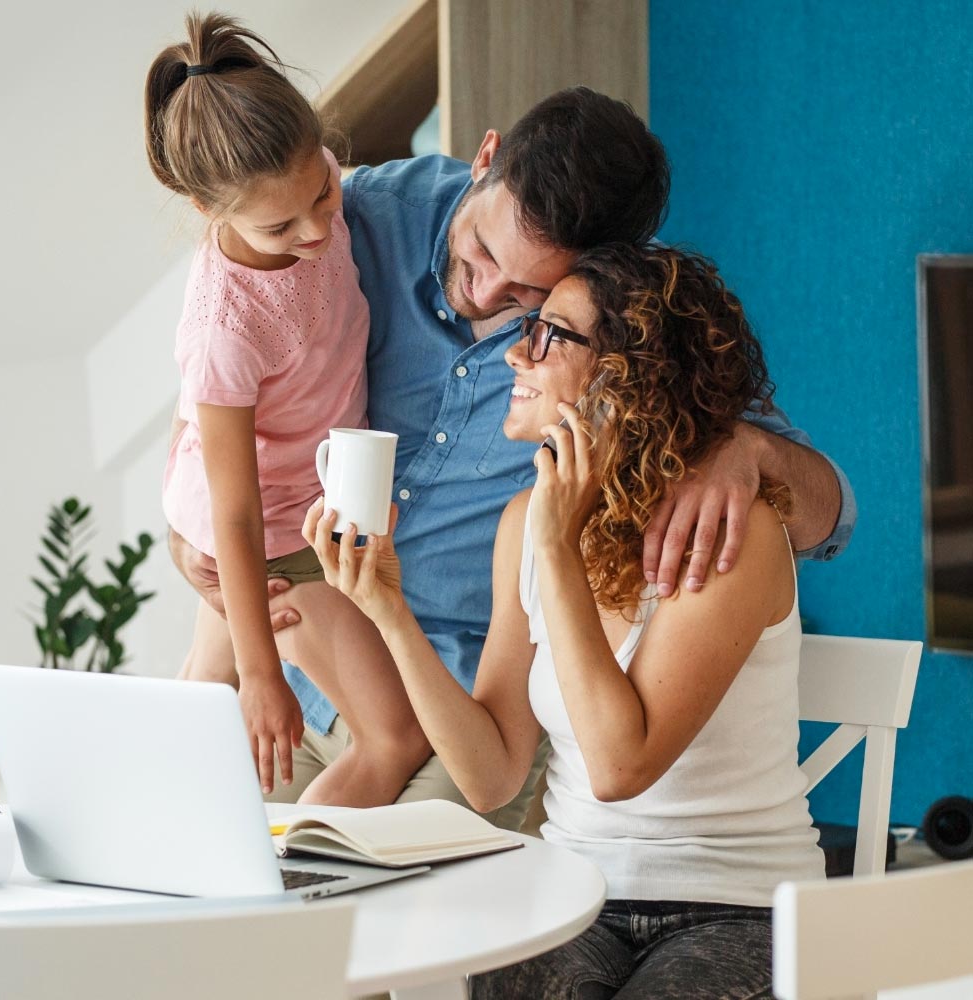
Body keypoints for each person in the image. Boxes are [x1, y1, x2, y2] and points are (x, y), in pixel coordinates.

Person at [171, 87, 856, 825]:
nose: (487, 293)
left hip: (459, 718)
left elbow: (833, 516)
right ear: (486, 159)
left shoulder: (615, 327)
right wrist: (190, 524)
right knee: (198, 865)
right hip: (306, 654)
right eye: (484, 251)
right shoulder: (343, 220)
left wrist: (749, 451)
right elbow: (224, 369)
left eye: (529, 292)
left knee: (395, 912)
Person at [305, 242, 826, 999]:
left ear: (627, 373)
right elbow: (491, 775)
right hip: (572, 895)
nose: (518, 352)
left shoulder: (727, 533)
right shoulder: (525, 523)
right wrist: (387, 610)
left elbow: (620, 767)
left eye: (549, 334)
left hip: (737, 909)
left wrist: (557, 543)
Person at [145, 11, 429, 805]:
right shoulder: (226, 326)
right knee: (394, 737)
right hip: (261, 531)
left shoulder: (305, 184)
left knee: (198, 696)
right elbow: (234, 511)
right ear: (210, 213)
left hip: (290, 502)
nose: (316, 228)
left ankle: (151, 849)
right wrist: (262, 674)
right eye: (280, 224)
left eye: (324, 192)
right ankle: (286, 905)